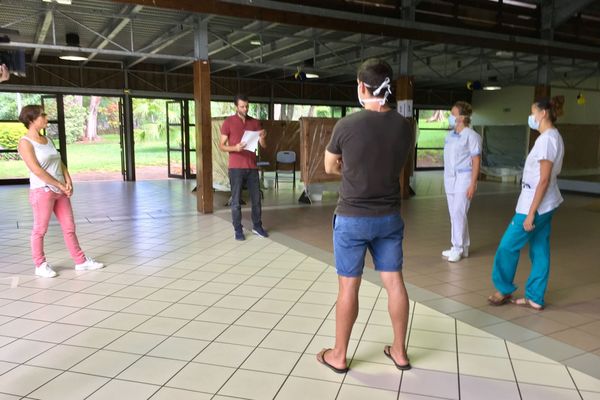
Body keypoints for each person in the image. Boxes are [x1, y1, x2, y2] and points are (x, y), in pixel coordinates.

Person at [318, 58, 413, 373]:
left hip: (353, 217)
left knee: (348, 287)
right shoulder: (405, 125)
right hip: (389, 217)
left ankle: (339, 355)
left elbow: (330, 166)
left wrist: (349, 167)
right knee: (395, 283)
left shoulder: (348, 124)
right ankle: (399, 352)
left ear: (362, 86)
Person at [488, 98, 565, 310]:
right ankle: (535, 297)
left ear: (543, 114)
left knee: (507, 246)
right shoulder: (552, 137)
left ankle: (503, 289)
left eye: (533, 113)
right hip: (546, 203)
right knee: (539, 248)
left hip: (535, 205)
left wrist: (531, 214)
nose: (531, 117)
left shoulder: (547, 140)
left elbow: (543, 179)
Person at [17, 105, 104, 278]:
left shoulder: (48, 140)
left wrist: (68, 180)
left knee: (69, 227)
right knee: (40, 230)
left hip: (60, 190)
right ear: (31, 120)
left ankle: (80, 262)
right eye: (42, 115)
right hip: (42, 191)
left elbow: (59, 162)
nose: (46, 118)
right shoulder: (25, 143)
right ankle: (40, 265)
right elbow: (37, 170)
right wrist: (59, 184)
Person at [219, 94, 268, 241]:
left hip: (252, 167)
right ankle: (238, 229)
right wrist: (235, 148)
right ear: (236, 106)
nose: (245, 109)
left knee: (256, 199)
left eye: (247, 106)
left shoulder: (255, 122)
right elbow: (221, 146)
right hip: (236, 168)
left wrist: (263, 136)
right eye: (242, 106)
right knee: (236, 201)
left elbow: (263, 146)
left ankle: (257, 226)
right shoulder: (228, 122)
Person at [442, 102, 482, 262]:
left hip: (464, 177)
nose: (450, 117)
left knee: (459, 212)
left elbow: (476, 160)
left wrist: (473, 183)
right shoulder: (450, 136)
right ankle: (462, 247)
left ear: (462, 117)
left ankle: (457, 247)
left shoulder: (472, 136)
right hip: (450, 178)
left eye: (453, 114)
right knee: (454, 214)